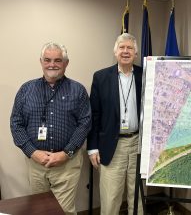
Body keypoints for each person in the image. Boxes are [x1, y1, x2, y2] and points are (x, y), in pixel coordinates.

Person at [10, 42, 91, 215]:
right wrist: (32, 152)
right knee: (40, 210)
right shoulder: (26, 90)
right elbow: (16, 124)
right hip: (36, 164)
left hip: (66, 164)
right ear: (41, 61)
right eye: (47, 60)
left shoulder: (78, 90)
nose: (52, 64)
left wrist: (66, 153)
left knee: (64, 211)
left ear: (66, 63)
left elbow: (85, 124)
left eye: (57, 60)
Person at [87, 33, 143, 215]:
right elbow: (94, 115)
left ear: (135, 53)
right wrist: (93, 147)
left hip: (139, 143)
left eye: (130, 48)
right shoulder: (101, 77)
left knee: (138, 196)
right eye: (122, 47)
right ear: (115, 52)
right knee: (110, 198)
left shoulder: (146, 75)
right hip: (112, 144)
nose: (125, 51)